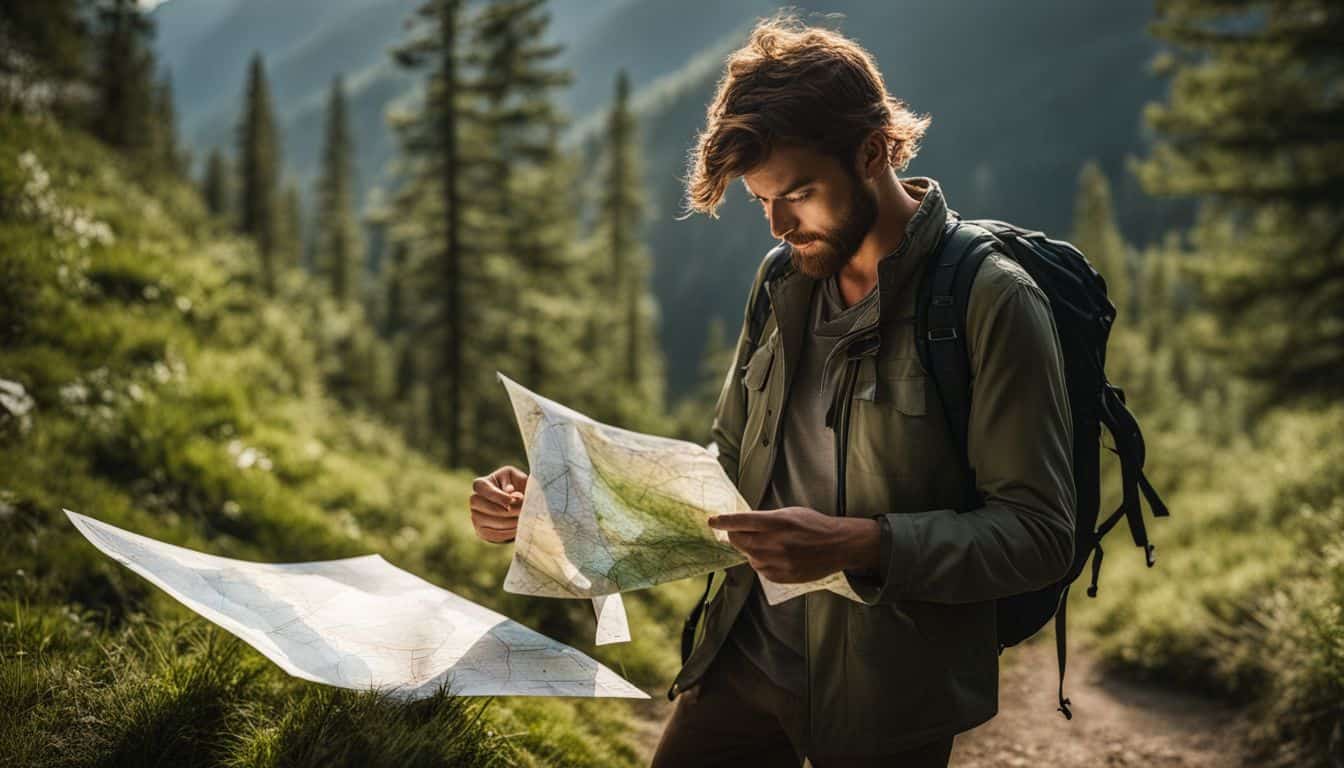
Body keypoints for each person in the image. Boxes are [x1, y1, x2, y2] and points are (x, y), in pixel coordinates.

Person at [468, 14, 1076, 768]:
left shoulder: (990, 301)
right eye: (762, 201)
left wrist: (860, 543)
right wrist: (556, 509)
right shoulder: (784, 281)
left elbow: (1039, 534)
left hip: (887, 693)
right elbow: (723, 473)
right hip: (743, 657)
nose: (780, 223)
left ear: (874, 150)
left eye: (799, 193)